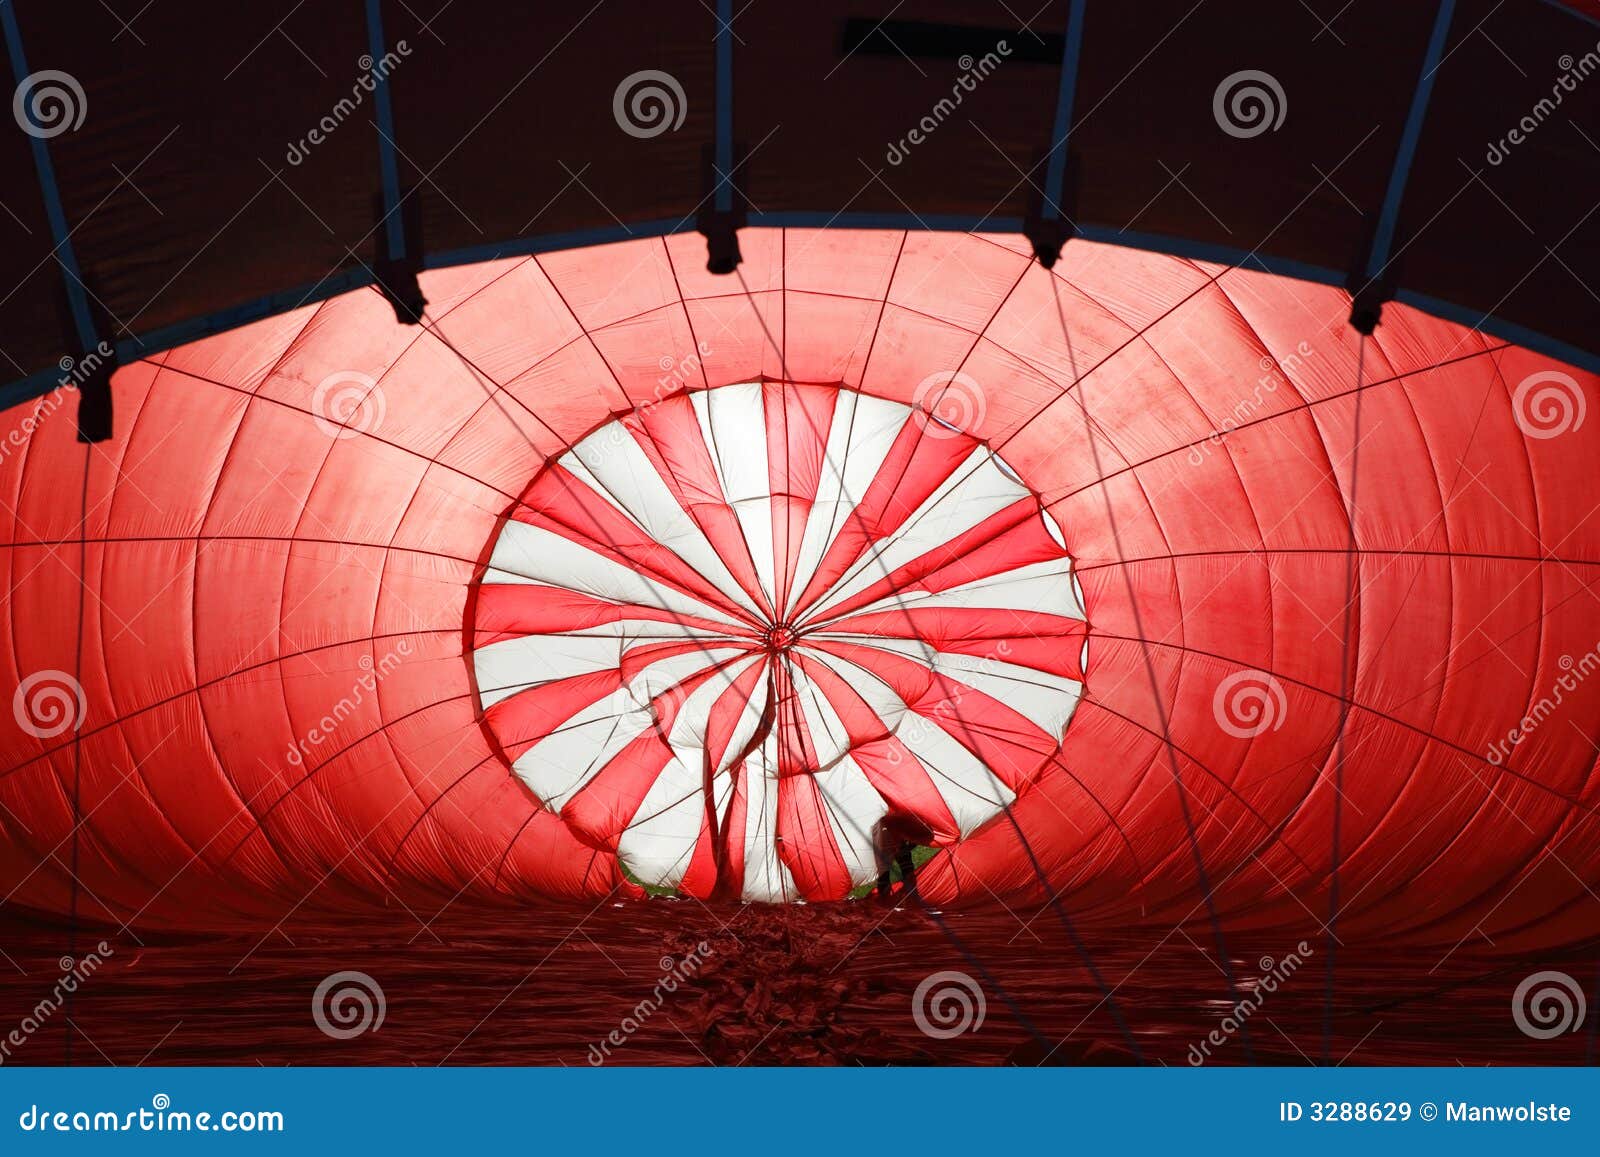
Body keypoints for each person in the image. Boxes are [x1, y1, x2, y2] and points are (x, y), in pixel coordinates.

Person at [873, 815, 928, 901]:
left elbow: (917, 839)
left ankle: (911, 894)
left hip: (897, 838)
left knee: (906, 867)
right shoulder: (885, 827)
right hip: (885, 840)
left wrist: (906, 849)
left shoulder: (912, 822)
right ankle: (884, 897)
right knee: (884, 873)